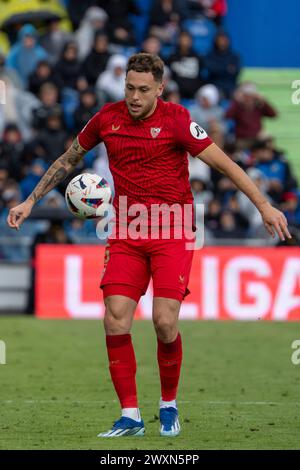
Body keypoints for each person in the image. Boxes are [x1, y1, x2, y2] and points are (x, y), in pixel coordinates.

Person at [7, 53, 291, 438]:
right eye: (129, 88)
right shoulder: (107, 118)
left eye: (143, 90)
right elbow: (68, 158)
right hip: (126, 232)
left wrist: (263, 205)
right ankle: (131, 416)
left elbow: (224, 164)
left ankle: (168, 404)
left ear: (160, 88)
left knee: (164, 321)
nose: (135, 97)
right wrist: (30, 201)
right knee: (114, 317)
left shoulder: (176, 121)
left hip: (173, 231)